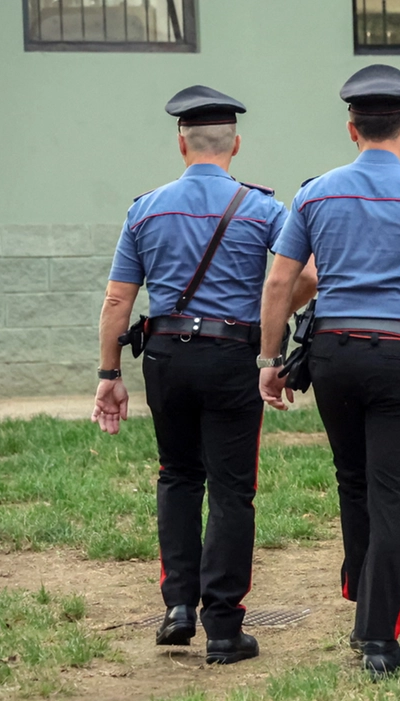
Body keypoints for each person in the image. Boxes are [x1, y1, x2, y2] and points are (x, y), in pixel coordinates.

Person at [257, 64, 400, 678]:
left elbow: (282, 279)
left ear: (351, 128)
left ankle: (364, 605)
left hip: (332, 354)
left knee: (353, 481)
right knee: (394, 497)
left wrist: (270, 359)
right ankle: (380, 641)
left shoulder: (315, 193)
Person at [92, 85, 316, 664]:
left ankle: (176, 609)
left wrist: (108, 373)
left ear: (182, 144)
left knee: (178, 477)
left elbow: (118, 301)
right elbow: (309, 278)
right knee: (233, 490)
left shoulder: (145, 208)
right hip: (232, 357)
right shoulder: (264, 208)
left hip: (165, 356)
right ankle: (222, 627)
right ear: (234, 144)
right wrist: (273, 322)